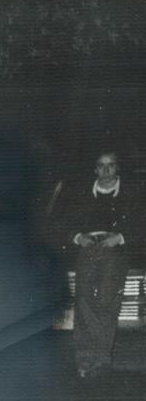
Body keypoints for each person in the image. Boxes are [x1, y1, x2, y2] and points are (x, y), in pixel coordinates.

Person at [55, 149, 139, 377]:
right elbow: (61, 222)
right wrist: (78, 237)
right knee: (83, 300)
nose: (106, 170)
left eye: (111, 164)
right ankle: (84, 358)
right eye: (101, 165)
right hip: (88, 248)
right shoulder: (81, 194)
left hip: (115, 251)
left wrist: (120, 238)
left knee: (106, 301)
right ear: (95, 169)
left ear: (117, 167)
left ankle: (101, 359)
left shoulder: (133, 192)